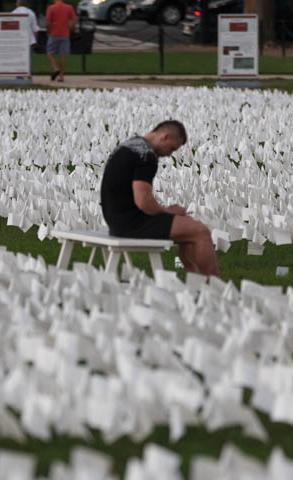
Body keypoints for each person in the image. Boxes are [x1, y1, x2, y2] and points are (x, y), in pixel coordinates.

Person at [100, 120, 218, 277]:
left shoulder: (129, 145)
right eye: (172, 149)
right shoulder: (147, 155)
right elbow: (143, 202)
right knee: (200, 232)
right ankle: (214, 287)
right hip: (131, 223)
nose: (169, 154)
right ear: (165, 136)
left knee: (187, 229)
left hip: (114, 219)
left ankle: (195, 281)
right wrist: (168, 211)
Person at [45, 0, 76, 82]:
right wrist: (70, 30)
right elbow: (73, 20)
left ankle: (55, 68)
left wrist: (48, 31)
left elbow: (48, 22)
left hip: (53, 34)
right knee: (62, 55)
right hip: (65, 34)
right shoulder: (69, 7)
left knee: (50, 53)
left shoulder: (51, 8)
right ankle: (61, 76)